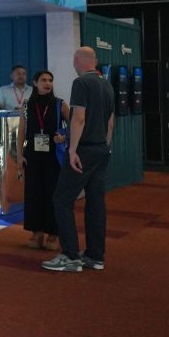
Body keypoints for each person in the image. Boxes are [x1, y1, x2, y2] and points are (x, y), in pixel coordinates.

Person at [43, 47, 115, 273]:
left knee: (62, 199)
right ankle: (95, 256)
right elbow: (110, 122)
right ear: (95, 61)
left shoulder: (81, 83)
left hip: (84, 150)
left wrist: (72, 150)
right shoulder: (107, 85)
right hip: (101, 149)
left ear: (76, 61)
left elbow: (78, 119)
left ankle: (70, 255)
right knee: (96, 203)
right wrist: (105, 147)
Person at [18, 70, 68, 251]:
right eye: (43, 80)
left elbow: (74, 126)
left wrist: (64, 137)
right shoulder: (26, 105)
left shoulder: (60, 104)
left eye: (50, 80)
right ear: (35, 83)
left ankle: (53, 234)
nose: (47, 83)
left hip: (54, 155)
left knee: (53, 194)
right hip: (32, 155)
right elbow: (21, 131)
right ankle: (36, 232)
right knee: (34, 194)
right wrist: (19, 155)